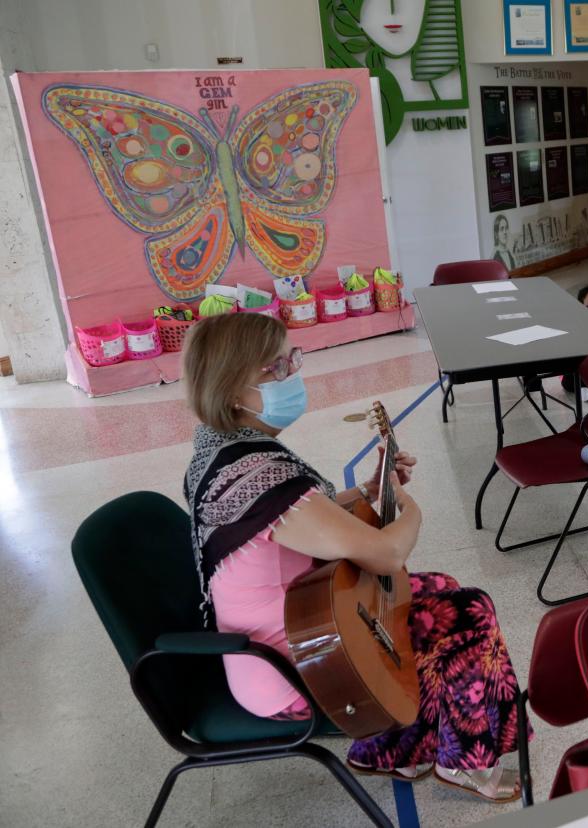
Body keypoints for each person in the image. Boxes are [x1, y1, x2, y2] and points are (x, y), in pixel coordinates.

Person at [181, 313, 525, 802]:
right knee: (471, 614)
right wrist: (409, 507)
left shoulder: (224, 452)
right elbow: (387, 553)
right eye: (276, 369)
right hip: (297, 666)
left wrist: (368, 490)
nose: (292, 375)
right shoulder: (260, 474)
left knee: (442, 587)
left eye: (291, 359)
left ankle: (398, 750)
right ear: (234, 390)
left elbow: (300, 518)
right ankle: (465, 762)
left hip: (295, 630)